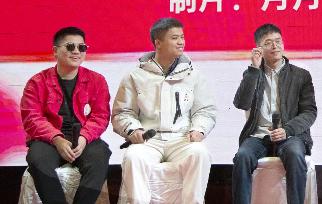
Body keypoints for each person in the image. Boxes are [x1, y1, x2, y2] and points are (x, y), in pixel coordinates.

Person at [112, 17, 217, 204]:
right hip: (149, 140)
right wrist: (133, 130)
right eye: (175, 38)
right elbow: (122, 112)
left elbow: (205, 110)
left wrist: (199, 129)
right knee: (133, 156)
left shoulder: (194, 75)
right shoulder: (135, 76)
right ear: (158, 43)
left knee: (200, 153)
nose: (181, 42)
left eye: (182, 37)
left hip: (181, 139)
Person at [20, 26, 111, 204]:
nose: (76, 51)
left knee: (100, 155)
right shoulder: (37, 82)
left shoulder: (97, 80)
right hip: (48, 140)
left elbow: (100, 116)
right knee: (37, 158)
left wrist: (84, 137)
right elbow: (32, 118)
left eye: (81, 47)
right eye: (70, 47)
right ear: (55, 51)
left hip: (82, 137)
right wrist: (56, 138)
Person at [232, 23, 317, 204]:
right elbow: (241, 103)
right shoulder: (253, 74)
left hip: (290, 135)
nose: (275, 46)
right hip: (258, 135)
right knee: (242, 157)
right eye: (268, 43)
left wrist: (287, 130)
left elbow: (309, 112)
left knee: (295, 154)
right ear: (259, 49)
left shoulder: (301, 75)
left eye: (278, 41)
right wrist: (253, 70)